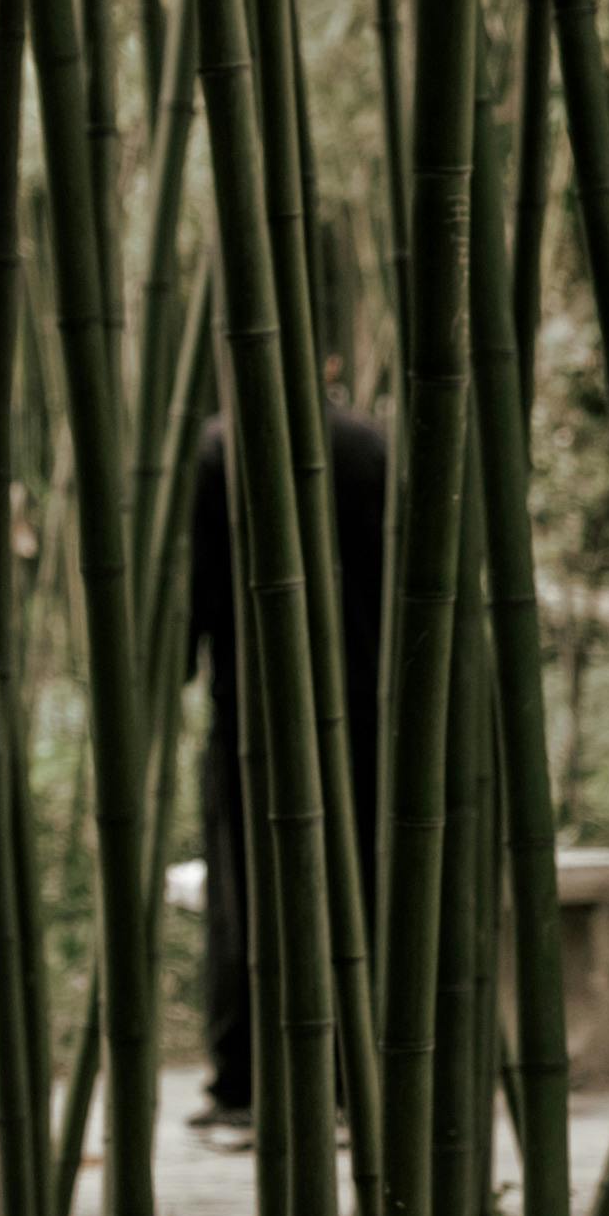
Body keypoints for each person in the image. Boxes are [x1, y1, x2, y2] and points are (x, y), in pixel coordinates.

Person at [186, 400, 388, 1137]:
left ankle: (245, 1077)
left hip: (254, 716)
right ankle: (355, 1071)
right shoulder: (373, 446)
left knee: (247, 891)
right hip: (371, 711)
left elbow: (194, 589)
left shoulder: (223, 449)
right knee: (361, 881)